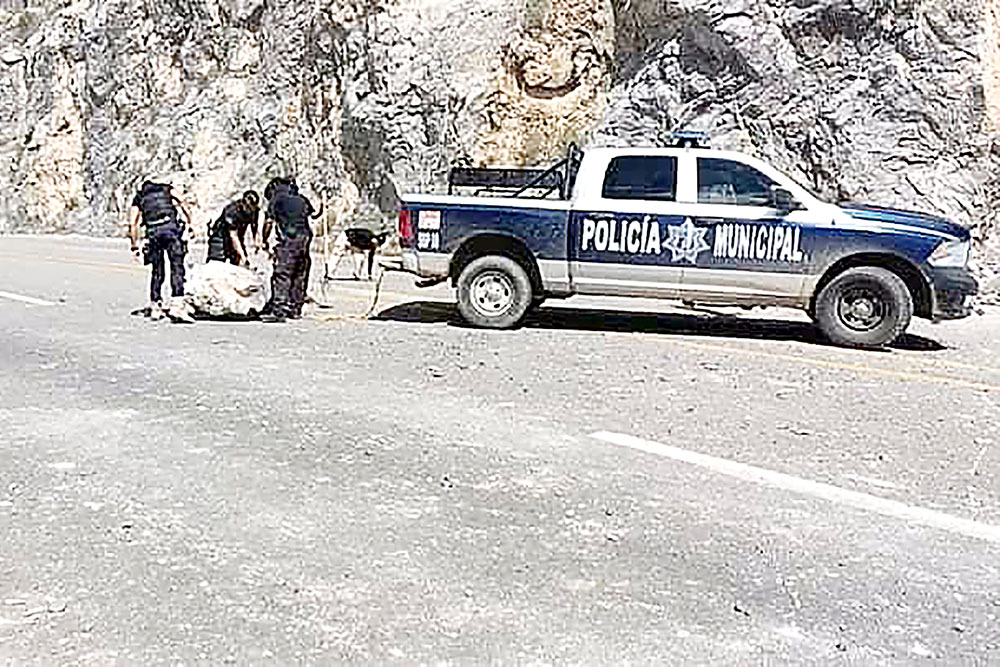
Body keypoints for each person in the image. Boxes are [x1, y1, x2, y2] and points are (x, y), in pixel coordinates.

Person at [129, 180, 194, 323]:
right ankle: (177, 305)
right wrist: (190, 222)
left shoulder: (139, 196)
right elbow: (182, 201)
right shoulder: (165, 188)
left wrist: (134, 245)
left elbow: (133, 223)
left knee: (157, 270)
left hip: (153, 233)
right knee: (177, 267)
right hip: (171, 229)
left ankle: (155, 306)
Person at [261, 177, 315, 323]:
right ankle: (295, 309)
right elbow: (314, 215)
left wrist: (264, 240)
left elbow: (268, 222)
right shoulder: (302, 199)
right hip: (305, 238)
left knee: (282, 273)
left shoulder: (277, 198)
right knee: (300, 273)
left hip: (289, 239)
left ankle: (279, 310)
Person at [207, 190, 260, 266]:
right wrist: (243, 256)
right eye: (249, 208)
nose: (251, 210)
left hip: (238, 236)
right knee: (216, 263)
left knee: (236, 262)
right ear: (244, 204)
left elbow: (254, 226)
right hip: (220, 236)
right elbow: (233, 236)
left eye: (253, 208)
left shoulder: (254, 210)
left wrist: (257, 242)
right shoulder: (231, 210)